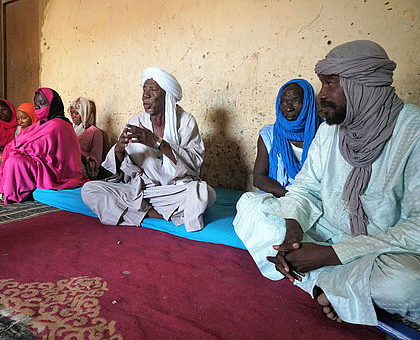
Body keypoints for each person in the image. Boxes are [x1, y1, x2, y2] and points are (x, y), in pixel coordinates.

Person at [233, 40, 420, 326]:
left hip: (382, 249)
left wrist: (331, 255)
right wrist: (292, 231)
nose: (321, 95)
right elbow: (305, 188)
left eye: (331, 84)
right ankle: (329, 285)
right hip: (328, 232)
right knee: (251, 206)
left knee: (409, 285)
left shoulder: (413, 132)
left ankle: (318, 282)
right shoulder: (330, 132)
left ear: (362, 86)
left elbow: (416, 229)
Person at [81, 67, 216, 232]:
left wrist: (158, 143)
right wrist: (119, 149)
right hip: (141, 191)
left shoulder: (186, 122)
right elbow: (120, 172)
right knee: (89, 190)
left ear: (167, 96)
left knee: (205, 194)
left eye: (153, 90)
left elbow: (194, 163)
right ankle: (158, 214)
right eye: (144, 89)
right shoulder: (136, 123)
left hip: (172, 191)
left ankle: (138, 213)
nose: (146, 95)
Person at [0, 87, 87, 203]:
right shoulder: (41, 123)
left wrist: (21, 148)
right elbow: (21, 140)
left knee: (15, 160)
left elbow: (42, 148)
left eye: (42, 103)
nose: (38, 107)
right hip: (42, 163)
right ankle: (13, 190)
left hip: (56, 170)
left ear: (53, 104)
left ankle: (16, 192)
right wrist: (15, 147)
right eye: (36, 104)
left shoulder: (59, 125)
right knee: (13, 156)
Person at [253, 79, 323, 197]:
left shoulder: (325, 133)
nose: (289, 108)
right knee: (249, 203)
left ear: (308, 103)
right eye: (283, 102)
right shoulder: (269, 135)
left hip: (314, 196)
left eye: (296, 101)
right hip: (280, 194)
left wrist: (304, 199)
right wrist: (290, 197)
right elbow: (258, 177)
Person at [0, 103, 38, 174]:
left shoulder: (39, 130)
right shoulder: (19, 130)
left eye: (24, 118)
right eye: (18, 119)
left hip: (33, 159)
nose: (20, 122)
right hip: (20, 155)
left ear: (32, 116)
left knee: (13, 160)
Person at [69, 96, 103, 179]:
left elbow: (95, 162)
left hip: (83, 171)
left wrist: (79, 156)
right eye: (72, 113)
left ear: (85, 113)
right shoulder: (71, 130)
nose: (73, 116)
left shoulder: (95, 132)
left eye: (77, 113)